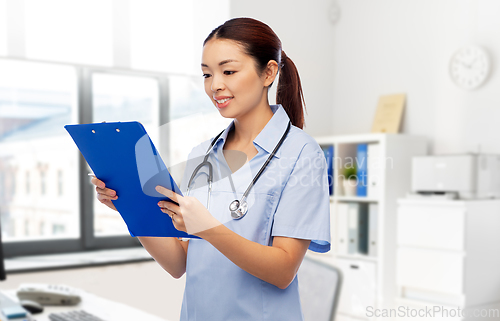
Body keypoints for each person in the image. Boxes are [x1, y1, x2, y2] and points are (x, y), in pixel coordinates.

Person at [91, 17, 330, 321]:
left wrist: (207, 227)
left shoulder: (302, 154)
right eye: (207, 74)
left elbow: (283, 270)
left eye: (228, 71)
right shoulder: (202, 155)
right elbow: (180, 264)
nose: (215, 85)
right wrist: (129, 205)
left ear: (268, 72)